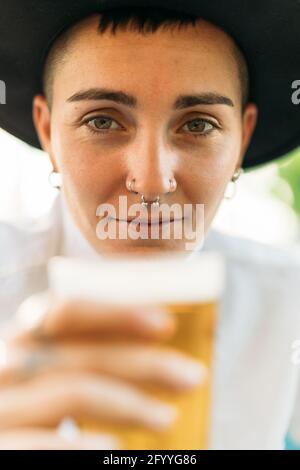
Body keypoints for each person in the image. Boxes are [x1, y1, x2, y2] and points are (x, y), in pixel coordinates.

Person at [0, 1, 299, 450]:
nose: (153, 181)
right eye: (101, 121)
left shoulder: (288, 309)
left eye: (197, 125)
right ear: (47, 132)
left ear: (242, 138)